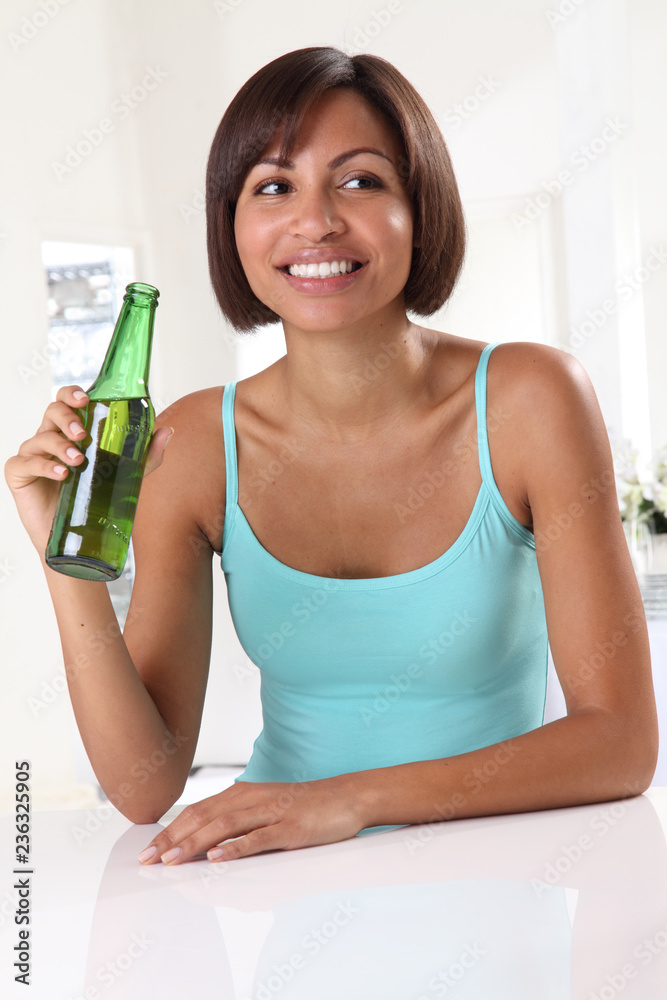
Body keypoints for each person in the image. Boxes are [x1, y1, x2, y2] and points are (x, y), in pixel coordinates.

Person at [5, 47, 658, 867]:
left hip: (495, 873)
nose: (314, 222)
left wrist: (347, 800)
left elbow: (620, 744)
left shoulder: (530, 399)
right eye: (273, 187)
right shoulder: (195, 443)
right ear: (231, 224)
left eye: (358, 181)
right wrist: (65, 561)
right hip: (281, 877)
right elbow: (143, 785)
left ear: (419, 208)